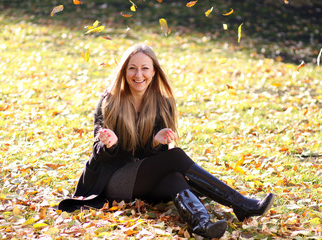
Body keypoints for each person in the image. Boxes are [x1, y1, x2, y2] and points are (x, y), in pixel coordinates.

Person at [58, 44, 275, 239]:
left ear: (154, 72)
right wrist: (110, 144)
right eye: (132, 68)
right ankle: (240, 203)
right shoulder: (110, 102)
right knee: (176, 156)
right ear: (124, 71)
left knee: (174, 177)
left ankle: (201, 225)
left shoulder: (161, 104)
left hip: (142, 180)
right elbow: (98, 154)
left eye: (145, 68)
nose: (138, 74)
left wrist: (155, 144)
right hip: (113, 180)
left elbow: (152, 163)